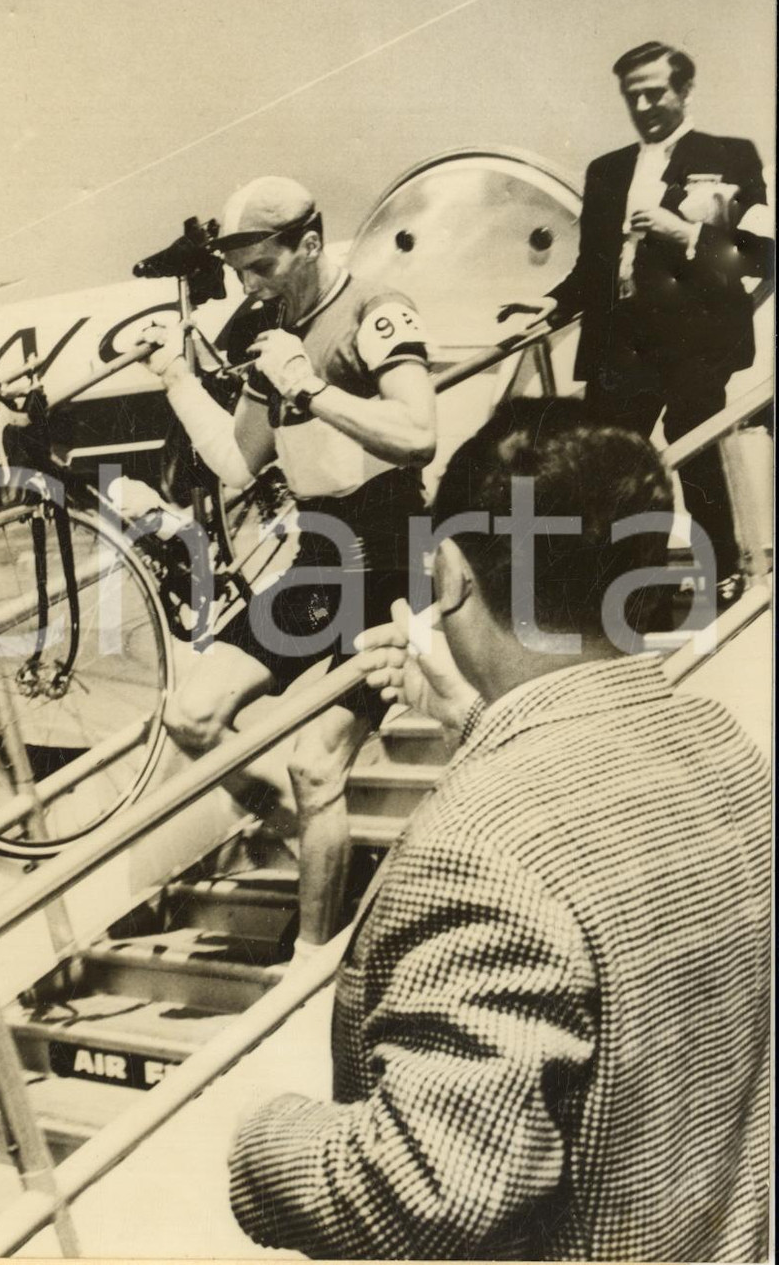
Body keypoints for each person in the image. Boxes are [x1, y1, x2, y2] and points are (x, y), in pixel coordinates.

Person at [228, 396, 770, 1260]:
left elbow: (424, 1190)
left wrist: (260, 1132)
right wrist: (472, 723)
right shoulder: (724, 748)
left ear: (448, 577)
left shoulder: (480, 849)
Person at [138, 176, 437, 950]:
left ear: (310, 243)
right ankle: (322, 843)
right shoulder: (275, 336)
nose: (251, 288)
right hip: (319, 558)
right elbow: (238, 464)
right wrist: (176, 380)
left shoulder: (375, 309)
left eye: (263, 268)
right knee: (191, 717)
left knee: (316, 766)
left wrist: (308, 387)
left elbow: (417, 434)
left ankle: (311, 960)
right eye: (240, 274)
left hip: (394, 557)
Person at [499, 41, 773, 608]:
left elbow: (760, 255)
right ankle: (633, 583)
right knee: (614, 472)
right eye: (633, 96)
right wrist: (550, 304)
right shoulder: (607, 170)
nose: (643, 106)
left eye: (655, 92)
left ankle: (723, 573)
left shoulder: (731, 156)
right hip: (619, 348)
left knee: (697, 457)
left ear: (685, 90)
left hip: (696, 344)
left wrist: (686, 233)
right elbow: (591, 269)